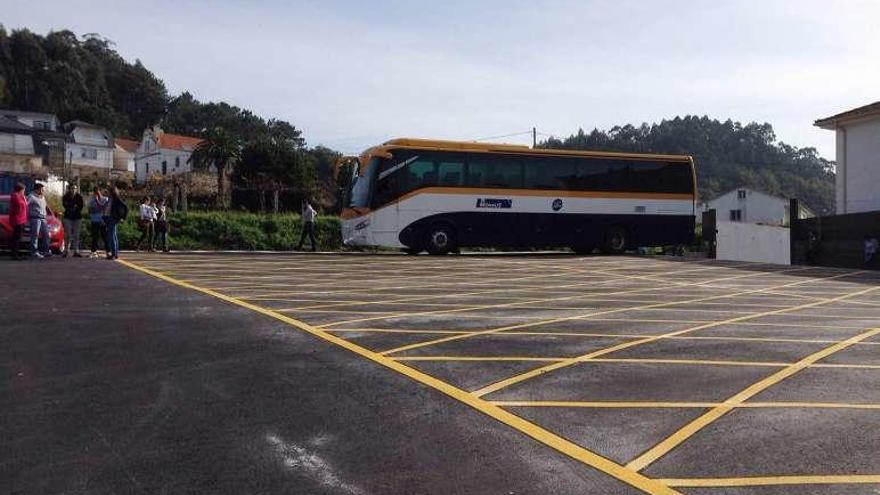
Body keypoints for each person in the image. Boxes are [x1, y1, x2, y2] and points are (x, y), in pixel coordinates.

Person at [27, 183, 50, 259]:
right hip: (35, 218)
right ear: (37, 189)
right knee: (35, 235)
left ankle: (46, 251)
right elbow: (25, 205)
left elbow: (45, 207)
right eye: (42, 189)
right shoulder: (31, 196)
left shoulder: (43, 197)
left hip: (43, 218)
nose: (43, 191)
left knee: (46, 235)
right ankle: (34, 252)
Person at [61, 184, 84, 258]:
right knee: (68, 235)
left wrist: (74, 206)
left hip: (77, 218)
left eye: (75, 188)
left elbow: (81, 206)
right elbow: (65, 205)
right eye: (72, 188)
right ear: (69, 189)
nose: (73, 189)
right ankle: (66, 251)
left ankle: (76, 251)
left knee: (76, 235)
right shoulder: (65, 196)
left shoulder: (79, 197)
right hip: (68, 217)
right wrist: (74, 206)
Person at [105, 187, 128, 260]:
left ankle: (114, 254)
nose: (108, 193)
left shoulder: (116, 199)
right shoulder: (110, 199)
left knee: (112, 236)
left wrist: (123, 218)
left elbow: (125, 208)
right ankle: (115, 253)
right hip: (109, 218)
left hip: (113, 218)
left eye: (109, 191)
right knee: (113, 235)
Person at [7, 182, 28, 260]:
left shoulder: (20, 196)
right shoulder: (15, 196)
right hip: (17, 220)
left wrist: (23, 198)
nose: (24, 191)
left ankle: (16, 253)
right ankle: (14, 255)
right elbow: (18, 206)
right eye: (23, 190)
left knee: (18, 237)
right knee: (16, 237)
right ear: (20, 189)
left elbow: (25, 204)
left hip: (21, 219)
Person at [88, 187, 110, 258]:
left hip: (103, 220)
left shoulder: (105, 199)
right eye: (95, 192)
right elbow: (90, 210)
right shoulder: (92, 200)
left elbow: (103, 208)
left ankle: (108, 251)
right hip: (95, 220)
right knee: (95, 237)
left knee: (105, 237)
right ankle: (93, 251)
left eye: (98, 192)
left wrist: (97, 202)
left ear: (100, 191)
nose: (97, 193)